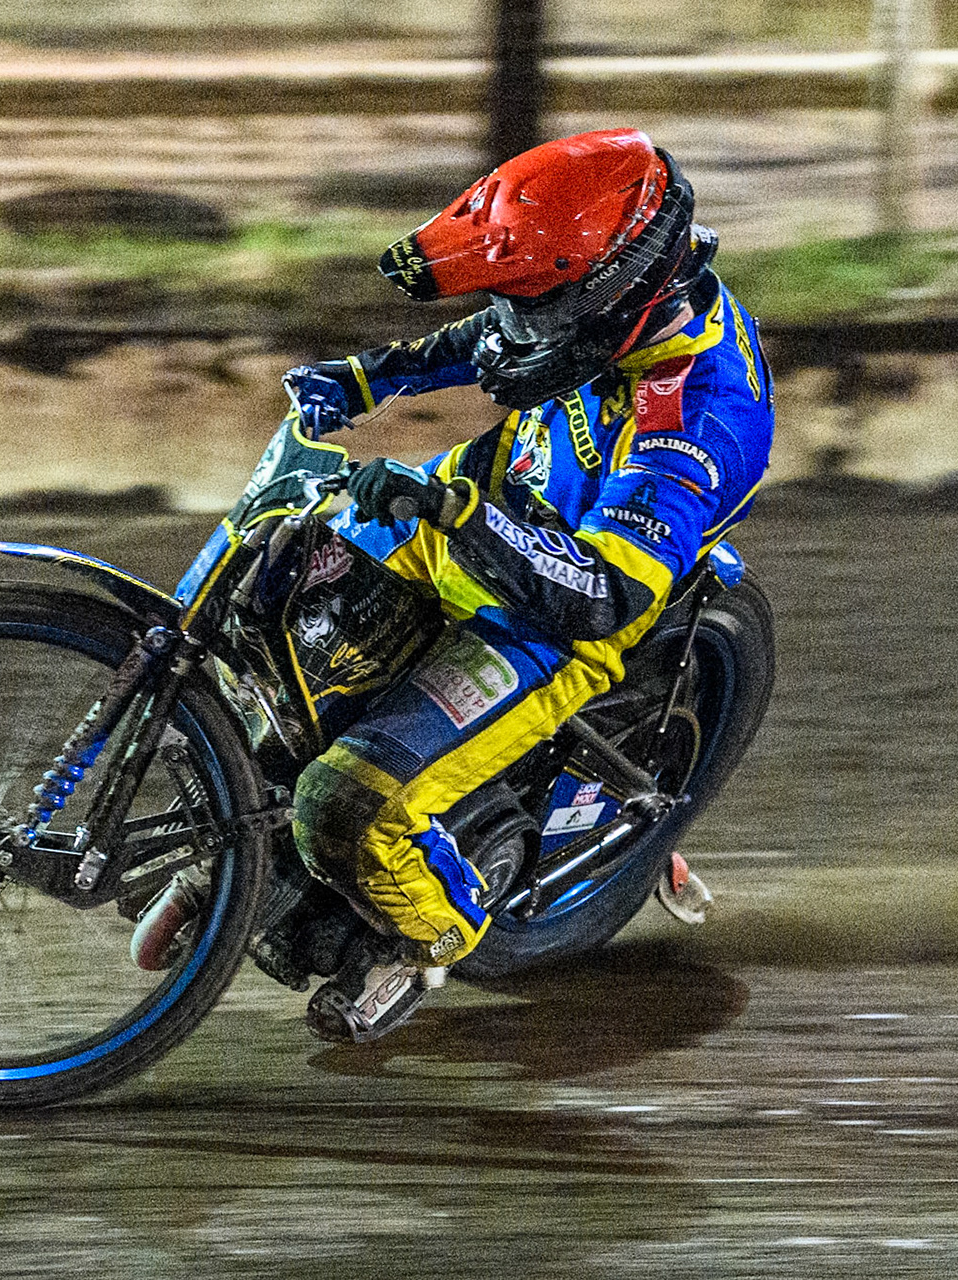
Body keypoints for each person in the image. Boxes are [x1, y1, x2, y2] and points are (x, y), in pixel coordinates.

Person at [278, 127, 777, 1043]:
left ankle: (431, 938)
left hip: (561, 620)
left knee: (345, 805)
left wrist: (459, 515)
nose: (518, 319)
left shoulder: (702, 416)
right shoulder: (603, 307)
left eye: (535, 303)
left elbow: (602, 596)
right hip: (488, 515)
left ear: (607, 303)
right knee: (287, 629)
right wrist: (365, 379)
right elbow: (494, 341)